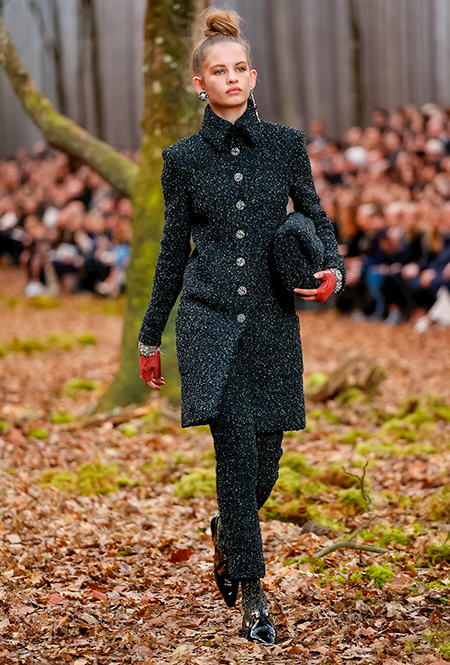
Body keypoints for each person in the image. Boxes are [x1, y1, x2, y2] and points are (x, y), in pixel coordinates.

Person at [137, 7, 345, 645]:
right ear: (199, 83)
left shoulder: (285, 145)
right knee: (234, 452)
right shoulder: (181, 160)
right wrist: (150, 335)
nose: (230, 78)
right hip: (208, 322)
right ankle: (254, 595)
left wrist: (333, 269)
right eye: (218, 71)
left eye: (239, 69)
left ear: (252, 78)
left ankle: (228, 531)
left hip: (273, 321)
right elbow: (171, 252)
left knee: (267, 461)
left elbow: (316, 218)